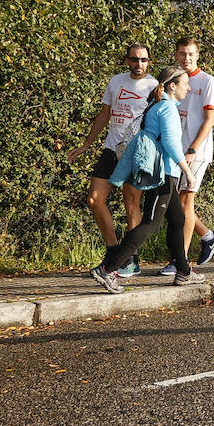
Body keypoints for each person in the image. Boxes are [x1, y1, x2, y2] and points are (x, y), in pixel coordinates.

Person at [89, 66, 198, 291]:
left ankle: (184, 272)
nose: (189, 87)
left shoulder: (157, 105)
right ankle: (108, 269)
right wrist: (187, 171)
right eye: (185, 83)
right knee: (150, 223)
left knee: (177, 219)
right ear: (172, 86)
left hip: (165, 173)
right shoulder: (167, 108)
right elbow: (170, 143)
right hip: (164, 174)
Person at [66, 44, 158, 276]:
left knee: (131, 203)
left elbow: (160, 121)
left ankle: (130, 259)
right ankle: (114, 251)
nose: (139, 64)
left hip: (135, 152)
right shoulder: (116, 81)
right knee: (94, 199)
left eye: (144, 60)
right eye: (135, 60)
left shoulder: (155, 86)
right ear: (127, 61)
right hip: (111, 149)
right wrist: (86, 144)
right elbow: (105, 113)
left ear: (149, 61)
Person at [158, 37, 214, 275]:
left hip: (195, 152)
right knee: (172, 203)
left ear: (197, 55)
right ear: (176, 55)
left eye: (191, 54)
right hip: (174, 151)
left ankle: (180, 261)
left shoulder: (207, 81)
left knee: (185, 201)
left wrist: (193, 149)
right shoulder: (173, 80)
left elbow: (209, 121)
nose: (186, 58)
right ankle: (208, 236)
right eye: (182, 54)